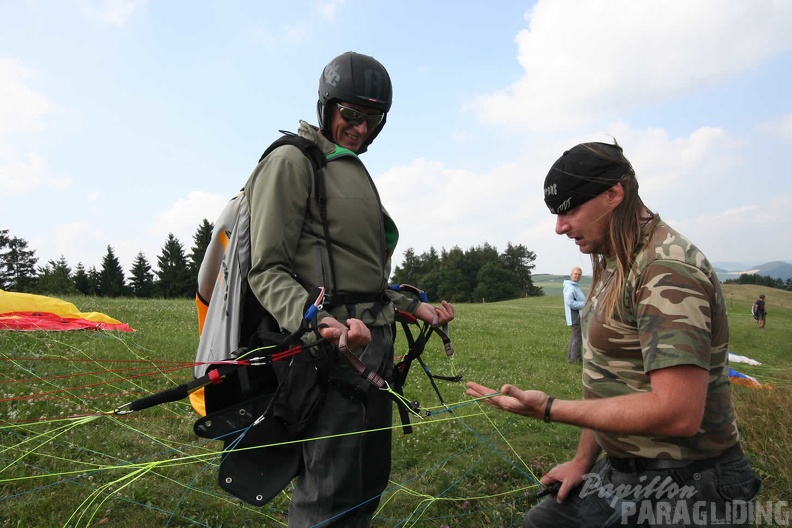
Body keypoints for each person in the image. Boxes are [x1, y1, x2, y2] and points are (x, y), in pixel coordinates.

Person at [467, 141, 760, 527]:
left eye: (569, 210)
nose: (559, 227)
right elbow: (611, 380)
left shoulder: (664, 268)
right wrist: (581, 461)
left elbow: (679, 413)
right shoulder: (613, 261)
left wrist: (550, 408)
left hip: (690, 483)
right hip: (622, 473)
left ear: (613, 194)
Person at [244, 51, 455, 527]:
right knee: (329, 488)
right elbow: (267, 270)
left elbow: (362, 277)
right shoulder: (294, 162)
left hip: (372, 345)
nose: (361, 129)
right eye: (351, 115)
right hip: (330, 350)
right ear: (327, 107)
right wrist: (319, 322)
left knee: (366, 478)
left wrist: (411, 307)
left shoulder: (348, 166)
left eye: (373, 120)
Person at [562, 266, 586, 363]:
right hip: (575, 316)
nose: (577, 276)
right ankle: (576, 359)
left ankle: (571, 357)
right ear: (571, 275)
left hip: (576, 315)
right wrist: (585, 304)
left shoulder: (574, 286)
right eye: (575, 274)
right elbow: (570, 302)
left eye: (579, 274)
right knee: (577, 338)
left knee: (574, 337)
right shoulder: (571, 287)